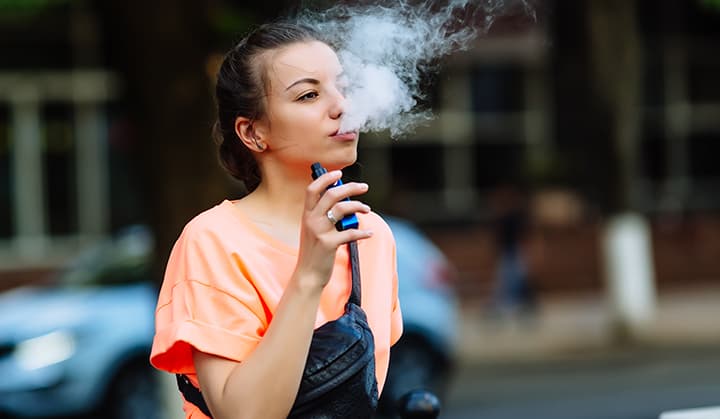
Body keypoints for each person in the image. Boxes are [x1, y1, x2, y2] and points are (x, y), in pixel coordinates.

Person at [149, 21, 403, 419]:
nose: (341, 106)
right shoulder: (213, 240)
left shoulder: (373, 238)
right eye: (308, 95)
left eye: (343, 87)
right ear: (253, 133)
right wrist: (309, 275)